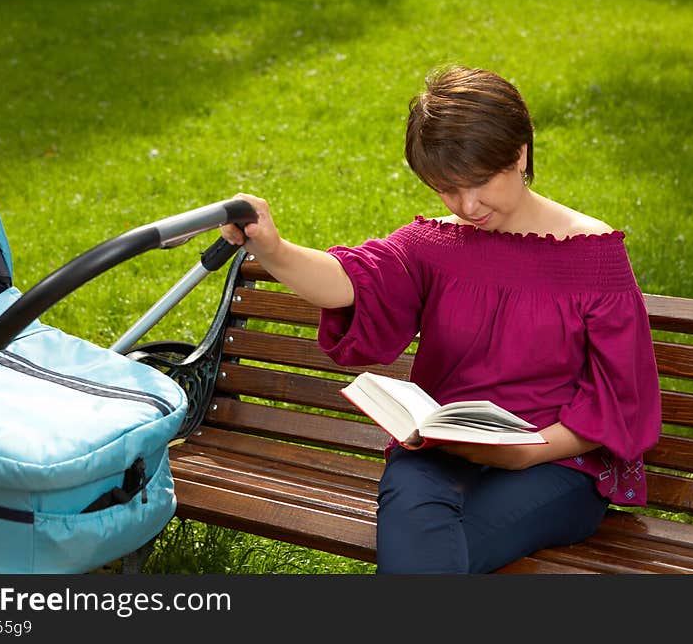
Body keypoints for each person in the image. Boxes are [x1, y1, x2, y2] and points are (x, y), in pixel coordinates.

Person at [220, 65, 662, 574]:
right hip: (439, 454)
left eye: (479, 183)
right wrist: (271, 247)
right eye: (447, 189)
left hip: (555, 464)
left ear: (519, 153)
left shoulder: (592, 255)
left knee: (424, 557)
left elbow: (621, 399)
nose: (467, 205)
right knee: (423, 538)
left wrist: (529, 450)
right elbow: (350, 281)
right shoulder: (435, 245)